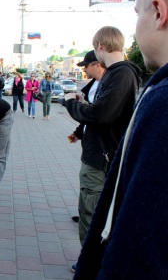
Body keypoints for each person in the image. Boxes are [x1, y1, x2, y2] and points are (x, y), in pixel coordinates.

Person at [73, 0, 168, 279]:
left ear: (159, 11)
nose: (136, 27)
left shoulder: (159, 97)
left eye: (138, 13)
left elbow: (141, 233)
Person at [65, 26, 141, 276]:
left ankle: (91, 264)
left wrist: (72, 105)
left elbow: (100, 114)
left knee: (90, 210)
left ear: (100, 46)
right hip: (103, 155)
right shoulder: (120, 74)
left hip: (100, 159)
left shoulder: (120, 74)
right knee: (94, 209)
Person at [65, 51, 106, 230]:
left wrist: (71, 103)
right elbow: (90, 116)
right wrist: (79, 132)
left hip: (99, 153)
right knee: (88, 190)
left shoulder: (107, 84)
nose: (84, 70)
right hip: (91, 147)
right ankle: (85, 214)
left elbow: (95, 115)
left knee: (92, 190)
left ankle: (89, 219)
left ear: (97, 64)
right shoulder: (97, 84)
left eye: (86, 66)